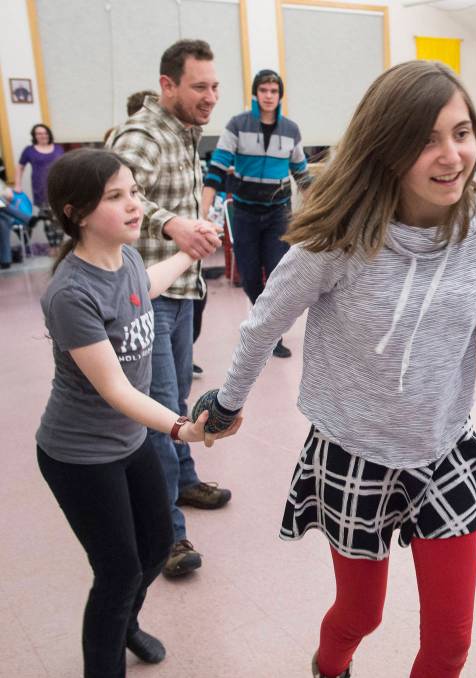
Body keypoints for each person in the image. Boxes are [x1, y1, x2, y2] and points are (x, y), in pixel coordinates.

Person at [190, 60, 476, 678]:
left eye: (461, 132)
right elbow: (266, 320)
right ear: (387, 148)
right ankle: (330, 668)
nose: (452, 155)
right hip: (354, 451)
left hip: (443, 449)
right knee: (359, 615)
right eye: (426, 139)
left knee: (451, 642)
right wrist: (229, 401)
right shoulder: (339, 236)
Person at [36, 149, 241, 678]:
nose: (134, 206)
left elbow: (142, 289)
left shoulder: (123, 258)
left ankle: (126, 622)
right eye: (116, 197)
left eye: (133, 192)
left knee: (154, 547)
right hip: (79, 456)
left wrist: (189, 252)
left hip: (129, 443)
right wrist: (181, 428)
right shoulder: (69, 293)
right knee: (117, 569)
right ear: (76, 213)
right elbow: (115, 390)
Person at [108, 39, 230, 578]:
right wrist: (172, 223)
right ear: (168, 85)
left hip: (181, 293)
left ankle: (183, 481)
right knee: (157, 414)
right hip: (147, 298)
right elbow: (113, 191)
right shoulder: (144, 133)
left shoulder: (185, 132)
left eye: (214, 86)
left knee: (175, 398)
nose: (210, 97)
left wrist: (193, 223)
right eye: (199, 87)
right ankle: (167, 537)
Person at [201, 68, 312, 358]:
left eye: (274, 91)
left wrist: (319, 213)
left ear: (280, 96)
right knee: (250, 278)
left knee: (276, 276)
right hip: (245, 214)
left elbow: (302, 174)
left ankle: (269, 334)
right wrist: (203, 212)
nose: (268, 96)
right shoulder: (238, 125)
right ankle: (262, 325)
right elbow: (217, 168)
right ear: (255, 94)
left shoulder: (291, 130)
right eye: (263, 90)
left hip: (278, 213)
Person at [15, 123, 65, 252]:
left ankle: (59, 245)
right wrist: (17, 185)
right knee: (47, 218)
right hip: (41, 189)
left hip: (59, 188)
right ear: (35, 136)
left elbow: (65, 166)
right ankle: (53, 247)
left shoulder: (58, 148)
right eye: (39, 133)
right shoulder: (29, 150)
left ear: (49, 134)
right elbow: (20, 167)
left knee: (59, 218)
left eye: (45, 133)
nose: (42, 135)